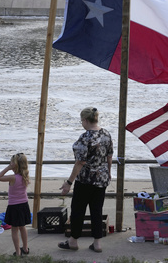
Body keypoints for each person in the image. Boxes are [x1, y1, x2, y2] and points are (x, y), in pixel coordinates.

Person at [58, 107, 113, 253]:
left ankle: (73, 241)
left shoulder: (85, 137)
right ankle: (97, 243)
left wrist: (69, 182)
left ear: (86, 120)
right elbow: (109, 157)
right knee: (97, 211)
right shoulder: (106, 134)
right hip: (101, 179)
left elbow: (80, 162)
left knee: (78, 210)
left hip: (85, 180)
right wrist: (109, 173)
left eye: (82, 120)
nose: (82, 123)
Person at [0, 153, 31, 257]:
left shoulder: (13, 178)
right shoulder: (25, 176)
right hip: (24, 205)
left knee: (14, 229)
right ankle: (25, 248)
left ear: (15, 165)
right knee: (23, 227)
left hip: (14, 206)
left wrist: (8, 168)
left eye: (11, 162)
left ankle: (18, 252)